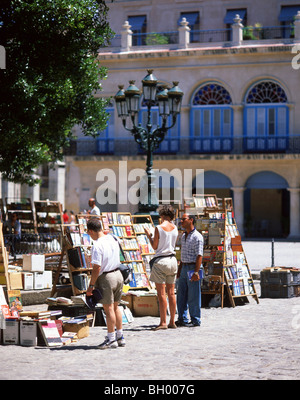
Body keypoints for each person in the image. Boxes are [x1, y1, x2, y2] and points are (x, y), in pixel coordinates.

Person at [86, 218, 125, 349]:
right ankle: (120, 336)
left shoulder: (97, 245)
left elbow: (96, 268)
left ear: (91, 231)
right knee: (116, 307)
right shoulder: (112, 238)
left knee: (108, 309)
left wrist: (91, 286)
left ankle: (111, 338)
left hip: (107, 277)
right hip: (118, 274)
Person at [145, 205, 178, 330]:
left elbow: (155, 246)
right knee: (171, 293)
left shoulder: (158, 228)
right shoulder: (175, 228)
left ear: (162, 215)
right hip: (173, 260)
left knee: (161, 294)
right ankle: (172, 321)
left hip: (161, 261)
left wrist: (149, 235)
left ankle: (163, 322)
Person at [176, 213, 203, 328]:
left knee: (193, 295)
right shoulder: (183, 236)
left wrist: (196, 272)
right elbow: (183, 254)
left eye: (183, 219)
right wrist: (179, 270)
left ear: (191, 220)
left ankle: (195, 319)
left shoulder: (197, 237)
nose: (181, 221)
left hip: (193, 268)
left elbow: (199, 255)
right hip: (184, 267)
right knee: (181, 294)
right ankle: (182, 318)